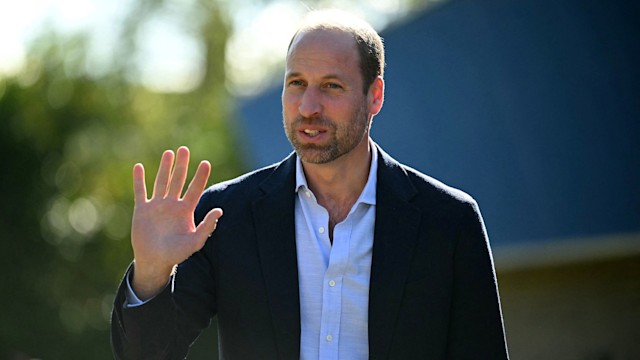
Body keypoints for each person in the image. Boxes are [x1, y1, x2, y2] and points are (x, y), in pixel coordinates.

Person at [111, 9, 509, 360]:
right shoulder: (224, 217)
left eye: (331, 86)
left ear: (375, 96)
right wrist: (151, 274)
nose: (308, 107)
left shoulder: (448, 222)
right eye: (296, 83)